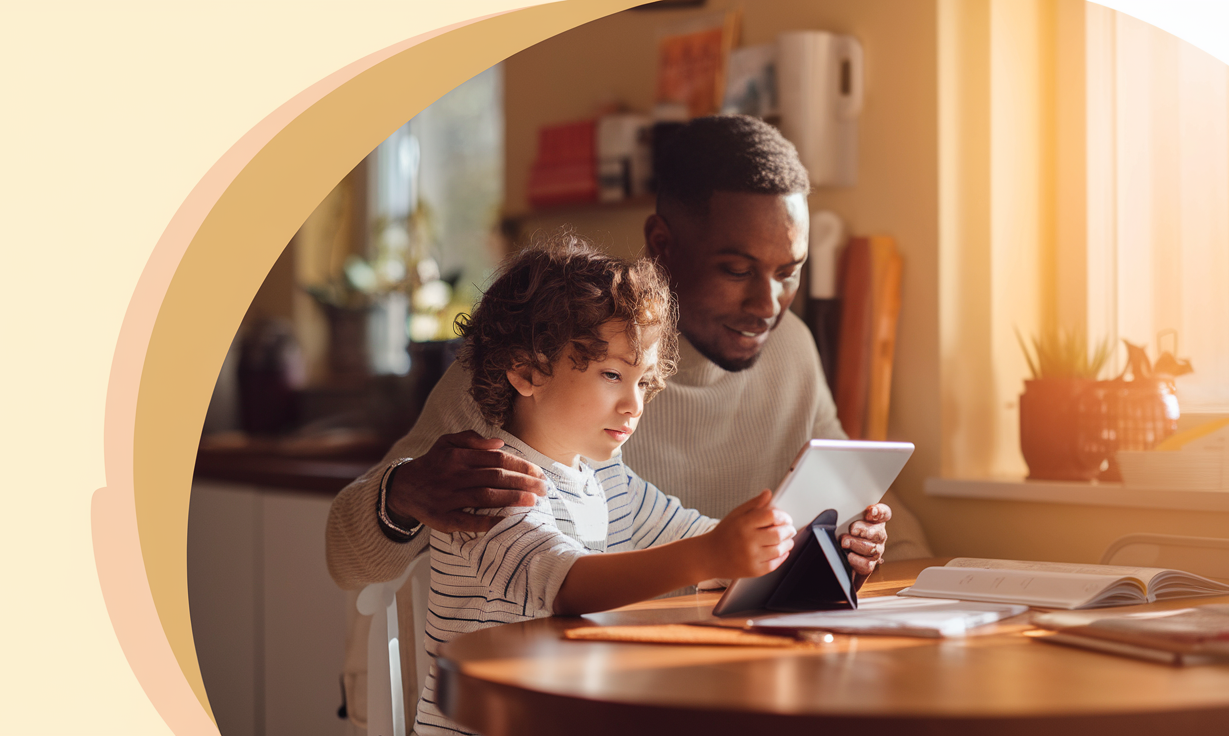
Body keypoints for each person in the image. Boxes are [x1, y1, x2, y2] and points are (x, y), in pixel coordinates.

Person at [325, 114, 929, 721]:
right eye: (737, 270)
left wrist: (829, 545)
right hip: (500, 700)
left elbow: (723, 528)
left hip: (651, 672)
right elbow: (350, 558)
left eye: (788, 271)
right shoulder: (543, 359)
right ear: (663, 245)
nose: (766, 305)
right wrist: (400, 493)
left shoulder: (786, 351)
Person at [413, 243, 798, 735]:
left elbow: (700, 537)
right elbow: (566, 586)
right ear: (527, 371)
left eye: (643, 381)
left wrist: (803, 543)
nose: (633, 405)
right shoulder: (485, 484)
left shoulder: (606, 479)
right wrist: (711, 555)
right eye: (613, 375)